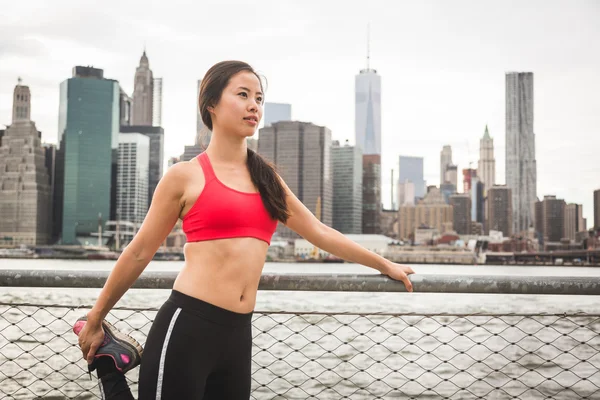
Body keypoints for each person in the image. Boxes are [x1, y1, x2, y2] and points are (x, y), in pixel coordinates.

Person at [74, 60, 415, 400]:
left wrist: (384, 265)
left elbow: (319, 232)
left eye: (259, 98)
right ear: (211, 105)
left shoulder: (266, 180)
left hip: (237, 336)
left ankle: (109, 361)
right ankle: (109, 366)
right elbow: (139, 251)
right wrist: (96, 317)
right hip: (188, 326)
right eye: (243, 94)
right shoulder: (184, 176)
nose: (254, 105)